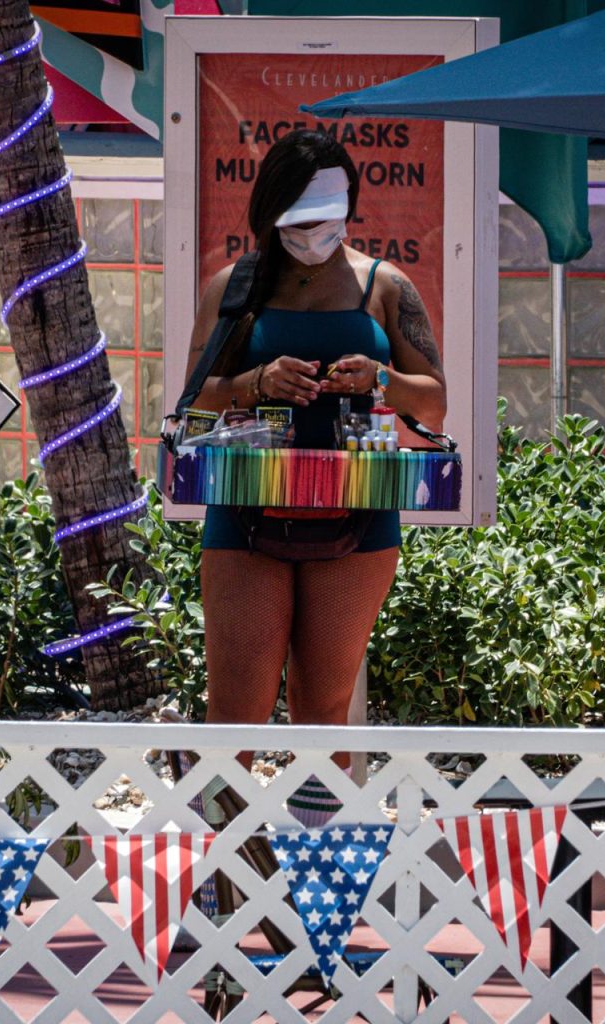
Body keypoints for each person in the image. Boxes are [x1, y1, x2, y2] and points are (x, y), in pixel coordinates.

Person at [183, 130, 446, 814]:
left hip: (358, 509)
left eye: (326, 221)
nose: (312, 235)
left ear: (348, 210)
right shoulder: (233, 285)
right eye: (297, 223)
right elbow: (194, 395)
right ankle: (216, 884)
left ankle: (310, 890)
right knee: (236, 707)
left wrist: (380, 377)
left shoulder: (385, 286)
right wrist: (257, 379)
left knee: (323, 706)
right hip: (246, 507)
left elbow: (436, 398)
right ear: (270, 214)